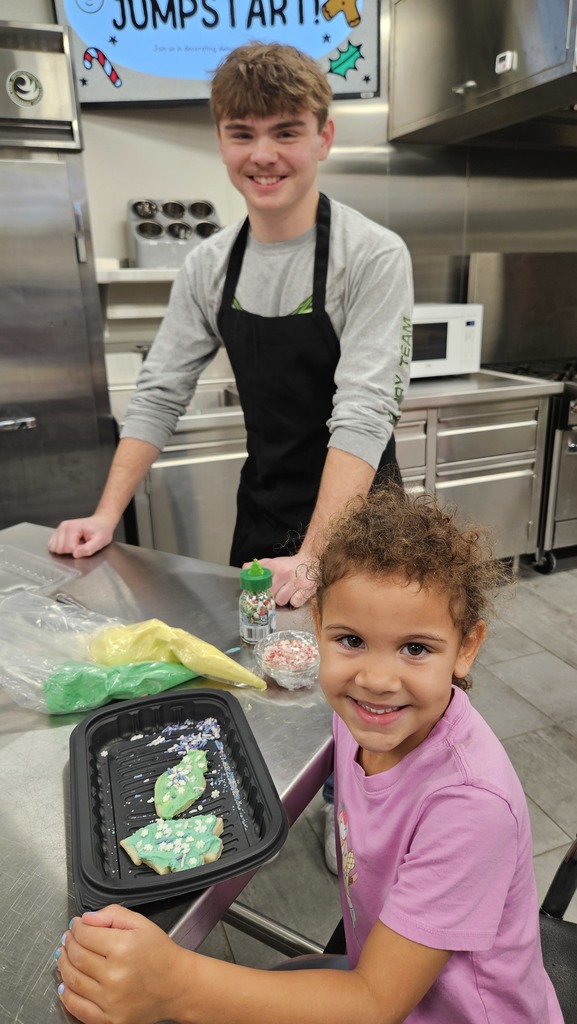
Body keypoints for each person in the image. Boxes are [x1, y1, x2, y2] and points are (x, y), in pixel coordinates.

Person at [54, 487, 563, 1024]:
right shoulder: (363, 721)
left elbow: (374, 1005)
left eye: (415, 648)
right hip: (387, 976)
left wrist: (176, 984)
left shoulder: (469, 807)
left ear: (465, 647)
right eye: (351, 640)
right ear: (318, 626)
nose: (376, 680)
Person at [48, 42, 413, 611]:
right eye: (243, 133)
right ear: (221, 141)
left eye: (287, 132)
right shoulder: (209, 265)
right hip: (264, 515)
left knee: (358, 688)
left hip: (364, 522)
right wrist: (104, 515)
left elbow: (365, 411)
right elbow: (158, 393)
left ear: (324, 138)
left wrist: (316, 556)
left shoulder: (372, 254)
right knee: (254, 678)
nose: (263, 154)